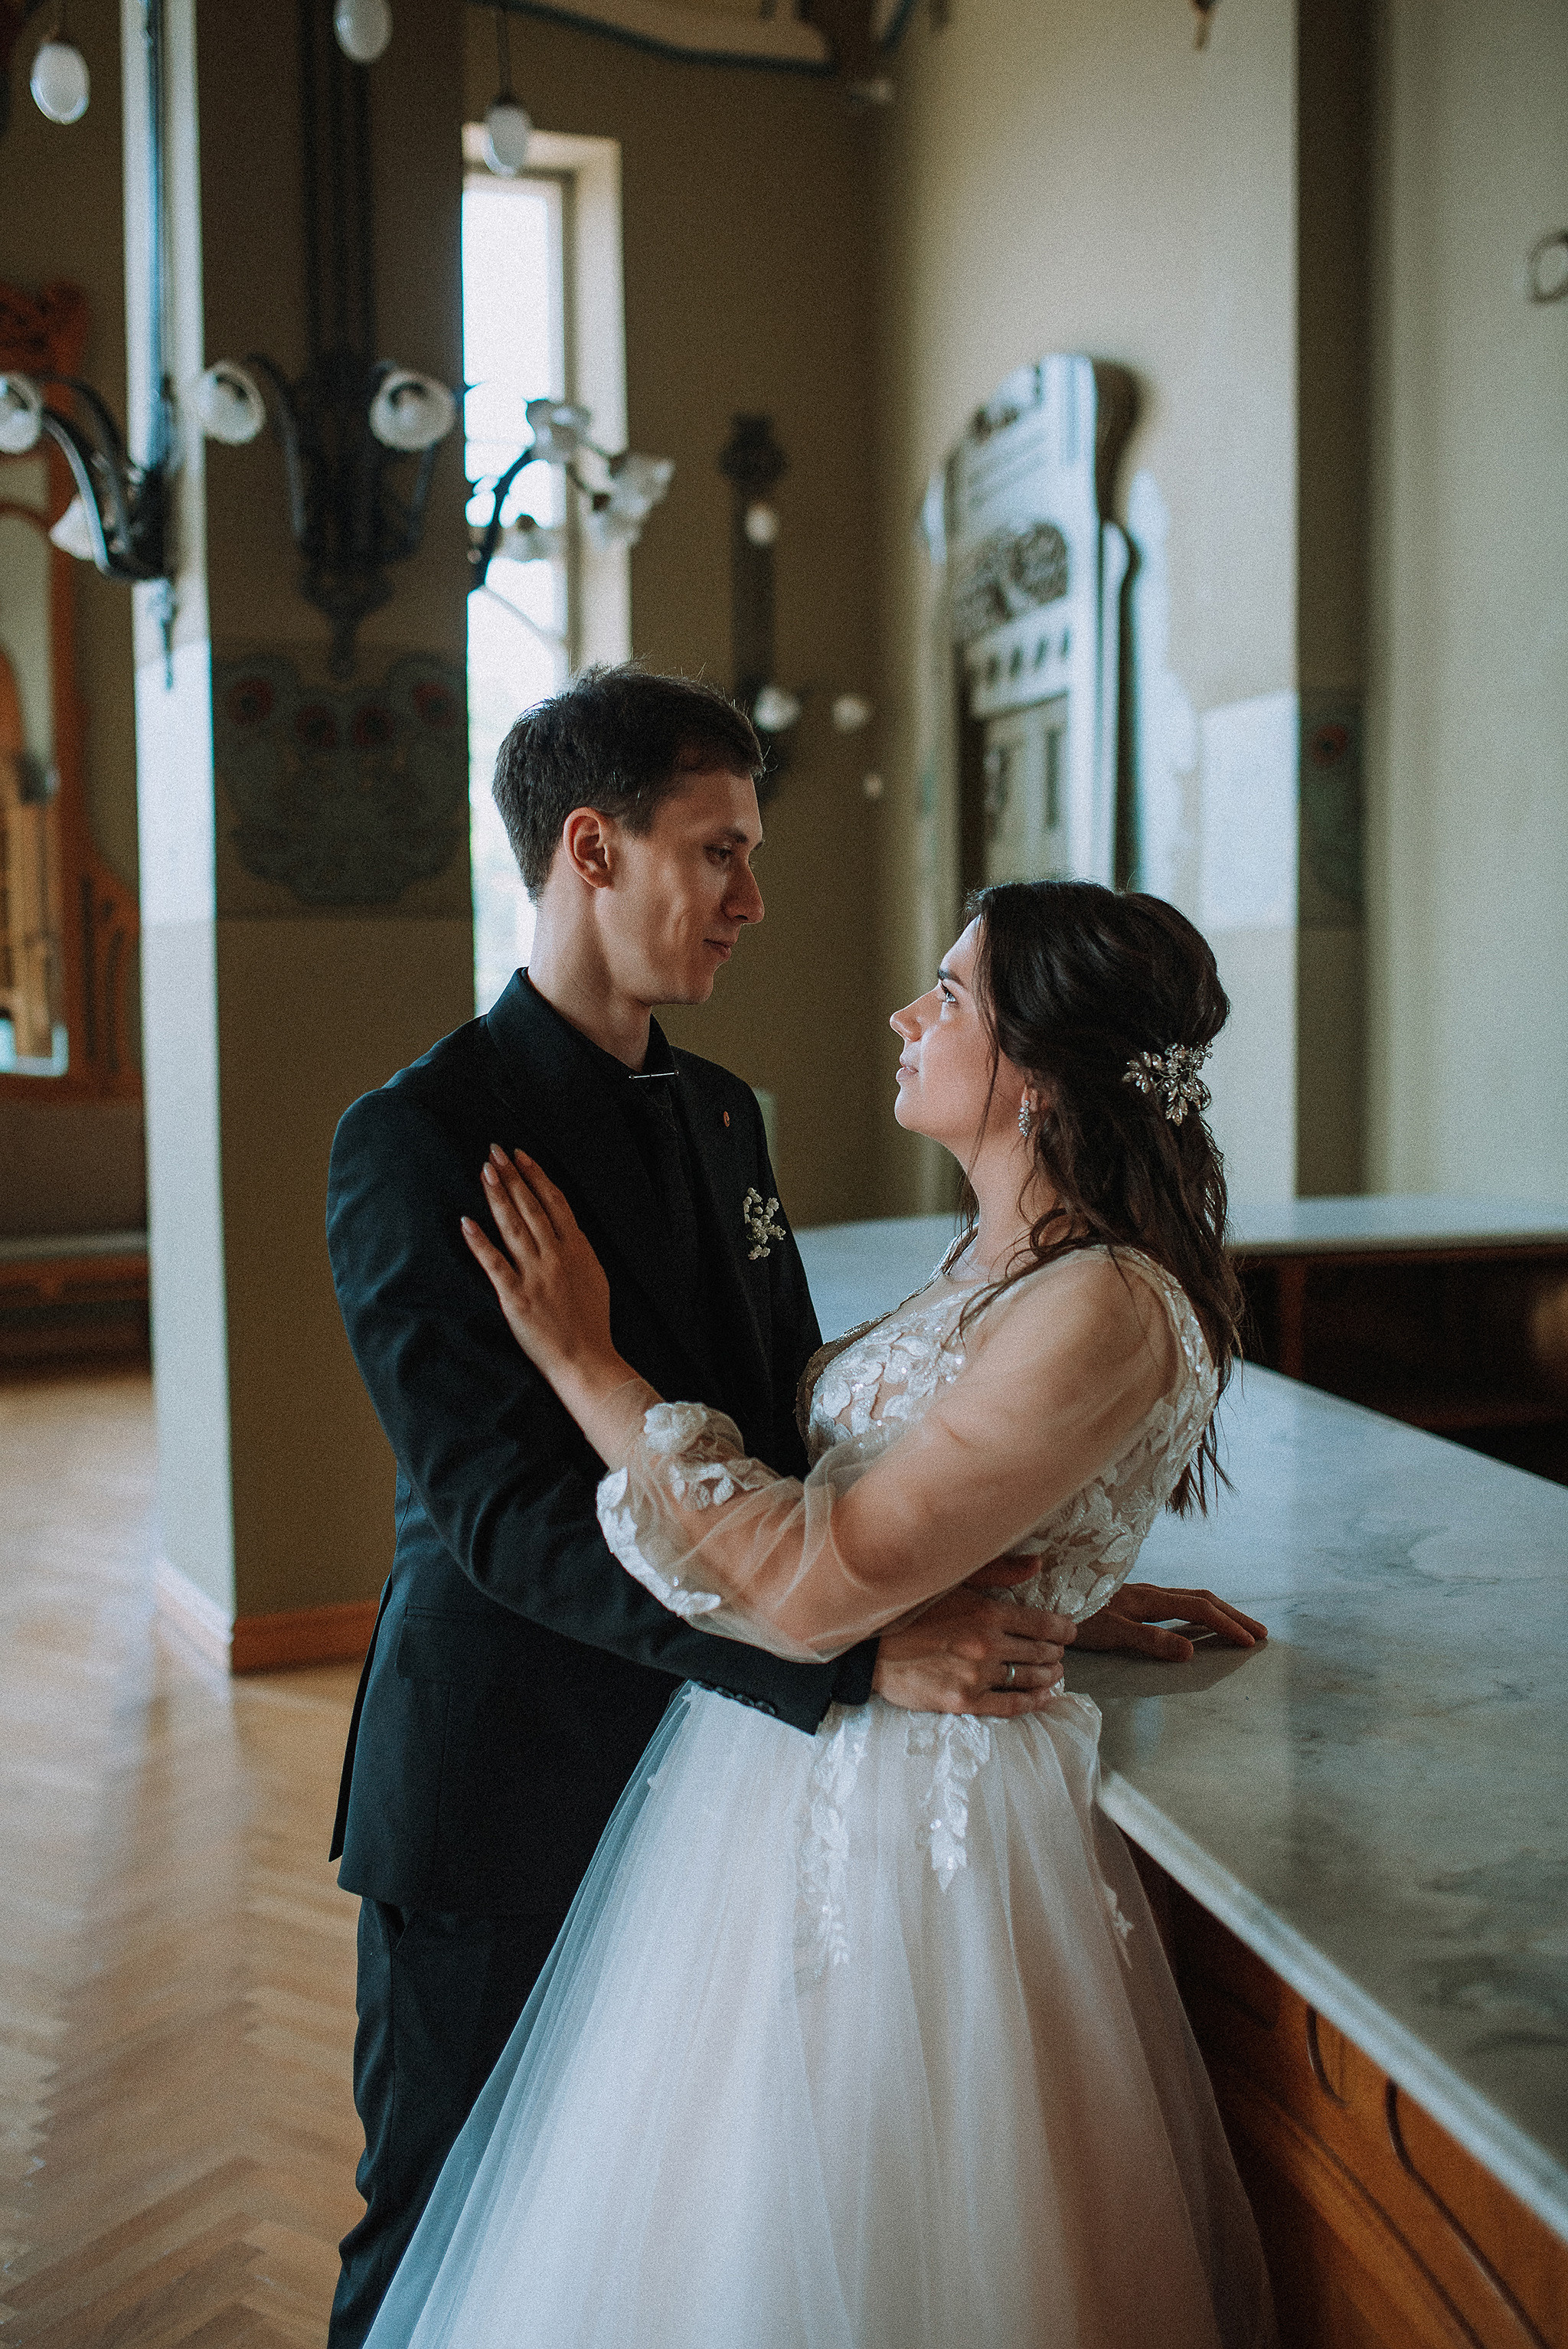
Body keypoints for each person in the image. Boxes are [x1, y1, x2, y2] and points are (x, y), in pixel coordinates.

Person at [326, 670, 1183, 2349]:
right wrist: (842, 1663)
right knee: (441, 2233)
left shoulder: (722, 1114)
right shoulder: (419, 1137)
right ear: (592, 845)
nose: (753, 900)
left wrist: (1032, 1582)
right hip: (512, 1771)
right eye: (718, 853)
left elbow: (796, 1434)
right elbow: (500, 1518)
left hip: (721, 1799)